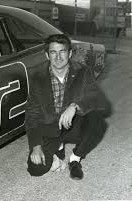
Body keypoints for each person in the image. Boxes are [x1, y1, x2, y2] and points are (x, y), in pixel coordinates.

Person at [25, 34, 111, 179]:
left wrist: (75, 106)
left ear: (70, 53)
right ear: (47, 55)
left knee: (97, 119)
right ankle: (58, 150)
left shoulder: (83, 72)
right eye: (53, 52)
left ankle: (75, 159)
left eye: (62, 51)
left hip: (73, 124)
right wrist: (35, 146)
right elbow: (31, 113)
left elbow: (100, 100)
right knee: (36, 169)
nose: (58, 57)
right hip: (50, 127)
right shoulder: (37, 77)